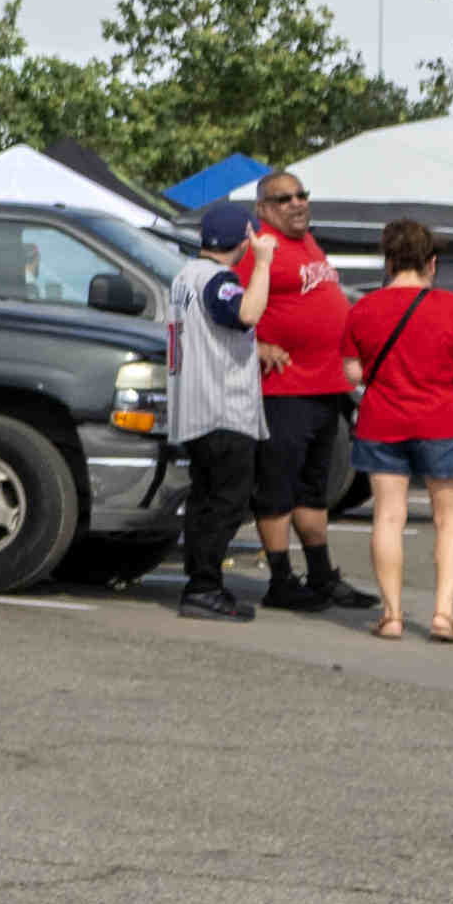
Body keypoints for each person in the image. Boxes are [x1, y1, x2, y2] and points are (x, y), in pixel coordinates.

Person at [333, 218, 453, 643]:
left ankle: (391, 615)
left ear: (387, 262)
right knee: (450, 519)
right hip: (443, 422)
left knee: (388, 515)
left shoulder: (362, 309)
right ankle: (443, 614)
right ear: (432, 263)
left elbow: (352, 372)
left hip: (381, 421)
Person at [239, 171, 361, 618]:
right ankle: (281, 580)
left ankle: (321, 576)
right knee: (277, 490)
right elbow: (231, 312)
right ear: (263, 209)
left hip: (325, 386)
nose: (296, 203)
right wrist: (257, 345)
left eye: (302, 194)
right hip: (284, 390)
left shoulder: (308, 243)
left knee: (313, 492)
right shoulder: (259, 250)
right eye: (283, 198)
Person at [156, 213, 273, 620]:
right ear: (242, 240)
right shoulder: (217, 280)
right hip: (221, 408)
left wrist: (260, 351)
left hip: (194, 404)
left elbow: (212, 332)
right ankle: (204, 586)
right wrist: (262, 264)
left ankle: (202, 583)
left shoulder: (185, 275)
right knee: (227, 501)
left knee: (207, 499)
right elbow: (246, 313)